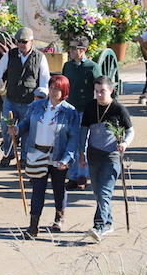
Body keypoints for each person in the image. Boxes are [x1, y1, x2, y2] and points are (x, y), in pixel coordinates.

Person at [8, 75, 79, 239]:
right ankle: (33, 227)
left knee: (58, 188)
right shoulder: (36, 106)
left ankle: (59, 216)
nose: (54, 92)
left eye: (58, 89)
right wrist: (17, 129)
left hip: (58, 156)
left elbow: (73, 139)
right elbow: (26, 123)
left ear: (65, 91)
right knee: (37, 190)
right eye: (52, 87)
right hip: (37, 153)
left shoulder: (70, 112)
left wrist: (66, 159)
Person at [79, 76, 134, 243]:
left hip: (112, 156)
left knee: (104, 191)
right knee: (98, 191)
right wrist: (81, 151)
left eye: (102, 91)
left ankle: (99, 226)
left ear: (111, 90)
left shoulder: (118, 109)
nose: (99, 94)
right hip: (93, 155)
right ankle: (108, 222)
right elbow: (83, 131)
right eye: (96, 91)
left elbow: (131, 131)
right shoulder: (90, 106)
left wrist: (124, 143)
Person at [0, 26, 49, 167]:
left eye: (24, 41)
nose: (21, 44)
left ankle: (24, 158)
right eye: (18, 41)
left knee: (26, 131)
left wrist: (42, 96)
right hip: (11, 99)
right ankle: (9, 153)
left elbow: (45, 78)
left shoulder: (40, 57)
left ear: (31, 42)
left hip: (29, 102)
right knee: (6, 126)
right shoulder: (10, 54)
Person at [61, 36, 102, 190]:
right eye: (70, 48)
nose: (70, 51)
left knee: (81, 144)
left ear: (82, 50)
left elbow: (100, 87)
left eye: (73, 49)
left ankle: (81, 176)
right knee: (69, 142)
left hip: (85, 110)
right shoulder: (68, 66)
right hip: (69, 109)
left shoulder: (92, 67)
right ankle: (72, 175)